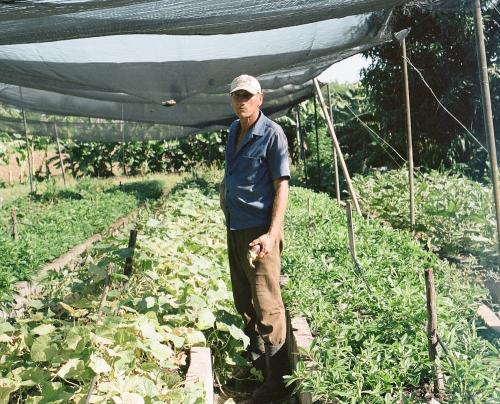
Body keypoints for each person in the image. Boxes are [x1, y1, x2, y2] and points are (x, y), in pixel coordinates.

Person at [219, 74, 291, 402]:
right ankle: (261, 368)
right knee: (244, 301)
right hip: (235, 230)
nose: (242, 101)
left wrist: (272, 235)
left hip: (260, 234)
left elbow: (281, 187)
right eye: (237, 96)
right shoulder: (234, 131)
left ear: (260, 98)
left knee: (267, 306)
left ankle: (277, 386)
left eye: (248, 95)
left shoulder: (272, 134)